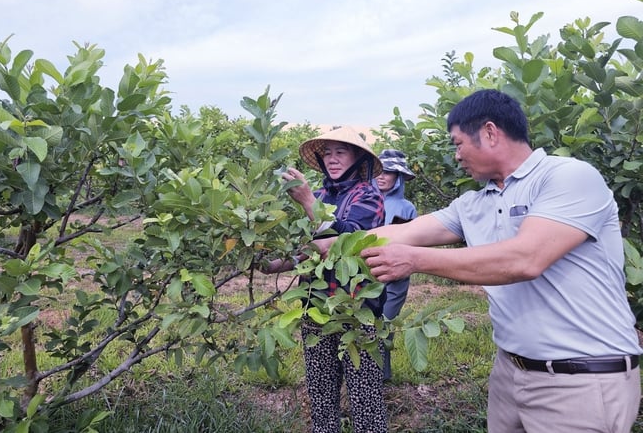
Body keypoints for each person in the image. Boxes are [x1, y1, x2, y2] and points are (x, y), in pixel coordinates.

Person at [314, 90, 642, 433]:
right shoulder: (474, 203)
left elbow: (525, 259)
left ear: (489, 132)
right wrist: (322, 248)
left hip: (580, 380)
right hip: (511, 371)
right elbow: (401, 233)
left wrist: (414, 260)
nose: (456, 156)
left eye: (457, 144)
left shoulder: (568, 177)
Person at [261, 126, 388, 433]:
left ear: (357, 158)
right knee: (320, 393)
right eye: (327, 153)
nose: (332, 159)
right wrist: (270, 263)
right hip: (316, 307)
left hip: (357, 310)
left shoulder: (369, 197)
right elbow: (304, 248)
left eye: (340, 152)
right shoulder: (319, 195)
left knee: (365, 396)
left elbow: (343, 238)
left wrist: (307, 202)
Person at [375, 149, 417, 380]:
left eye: (389, 172)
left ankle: (382, 377)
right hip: (367, 276)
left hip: (395, 278)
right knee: (366, 326)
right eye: (379, 172)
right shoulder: (365, 201)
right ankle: (369, 377)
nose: (382, 177)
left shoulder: (406, 208)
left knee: (384, 325)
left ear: (398, 178)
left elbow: (414, 242)